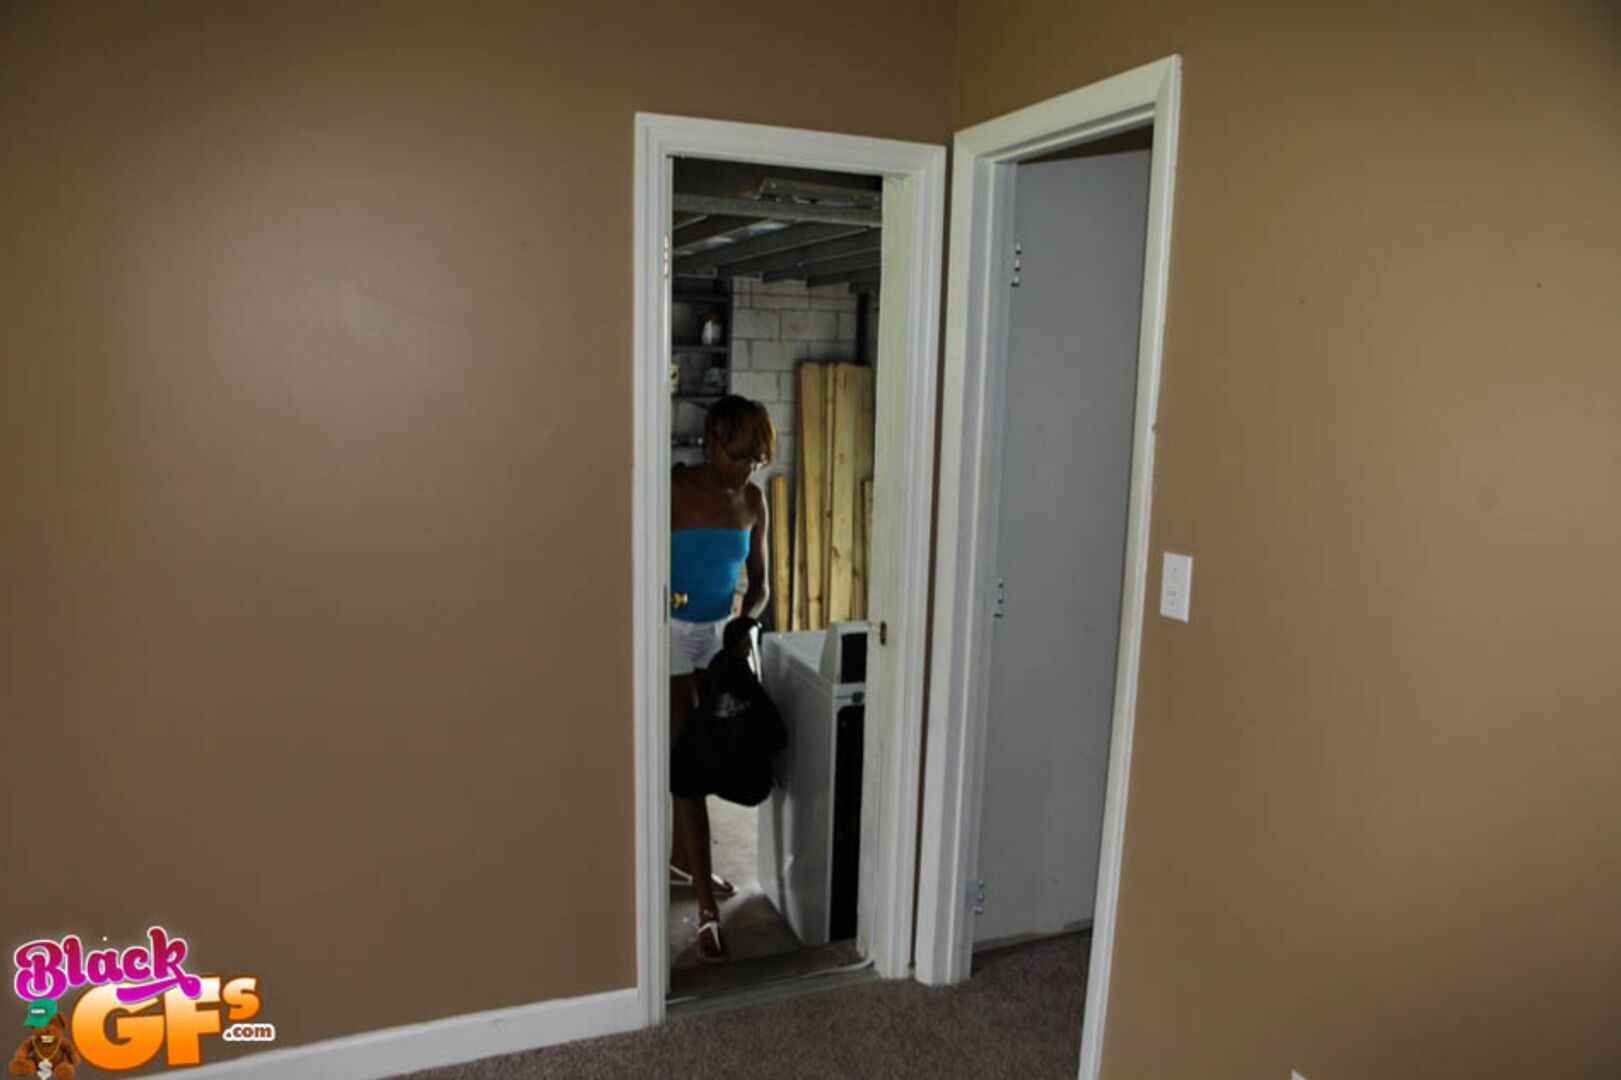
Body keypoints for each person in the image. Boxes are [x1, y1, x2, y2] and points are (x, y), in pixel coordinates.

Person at [669, 395, 773, 962]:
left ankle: (682, 861)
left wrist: (745, 624)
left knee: (710, 754)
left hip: (717, 635)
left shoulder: (754, 501)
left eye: (756, 459)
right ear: (711, 441)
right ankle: (706, 906)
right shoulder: (673, 489)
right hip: (668, 630)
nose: (746, 468)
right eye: (738, 456)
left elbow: (761, 586)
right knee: (687, 763)